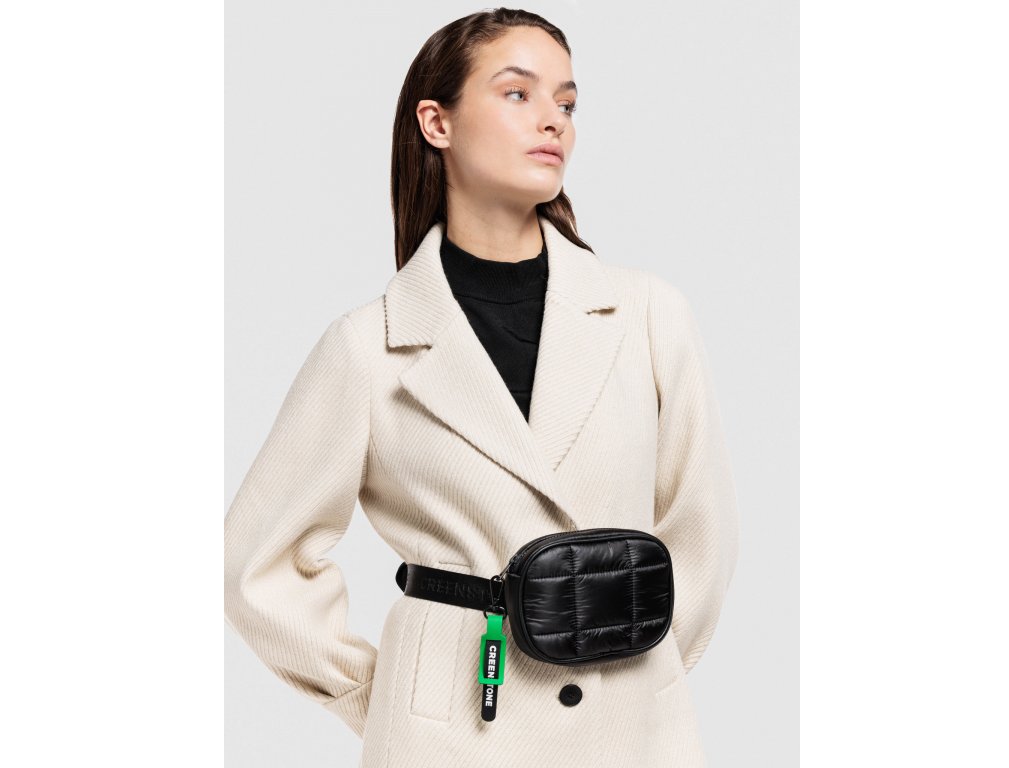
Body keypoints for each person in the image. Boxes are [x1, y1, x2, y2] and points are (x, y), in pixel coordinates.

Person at [224, 8, 739, 767]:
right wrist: (392, 699)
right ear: (437, 122)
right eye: (517, 93)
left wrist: (638, 676)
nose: (553, 120)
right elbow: (255, 567)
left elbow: (703, 536)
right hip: (449, 739)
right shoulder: (368, 348)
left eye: (567, 102)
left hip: (631, 733)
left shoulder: (649, 316)